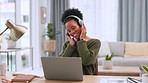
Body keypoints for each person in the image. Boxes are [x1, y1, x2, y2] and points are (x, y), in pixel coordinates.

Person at [60, 8, 101, 75]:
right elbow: (61, 64)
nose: (72, 32)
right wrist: (71, 45)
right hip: (69, 78)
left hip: (87, 80)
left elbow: (86, 61)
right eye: (69, 31)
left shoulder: (95, 42)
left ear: (81, 25)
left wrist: (81, 40)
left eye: (73, 28)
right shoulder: (67, 45)